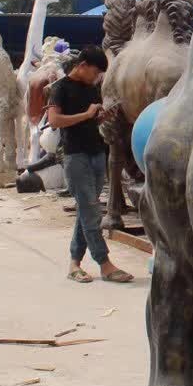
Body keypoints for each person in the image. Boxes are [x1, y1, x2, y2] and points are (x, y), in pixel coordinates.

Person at [47, 45, 133, 283]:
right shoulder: (60, 88)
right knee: (91, 211)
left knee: (87, 210)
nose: (96, 78)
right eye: (95, 72)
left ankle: (74, 264)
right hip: (75, 156)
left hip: (97, 153)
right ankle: (104, 264)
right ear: (82, 65)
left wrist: (102, 116)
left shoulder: (91, 89)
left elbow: (93, 118)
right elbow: (54, 120)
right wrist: (86, 115)